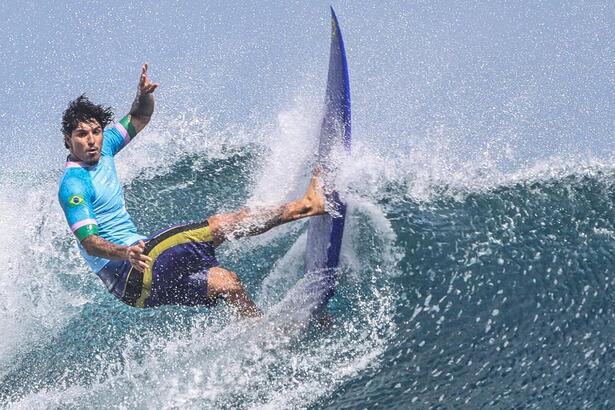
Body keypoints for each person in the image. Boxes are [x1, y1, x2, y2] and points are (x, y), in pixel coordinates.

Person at [58, 64, 325, 317]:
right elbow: (90, 243)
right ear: (68, 140)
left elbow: (140, 116)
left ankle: (262, 333)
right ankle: (307, 205)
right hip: (130, 269)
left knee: (227, 283)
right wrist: (124, 253)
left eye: (96, 131)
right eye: (82, 134)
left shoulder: (104, 149)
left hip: (136, 289)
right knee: (220, 225)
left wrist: (143, 95)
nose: (91, 140)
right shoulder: (74, 185)